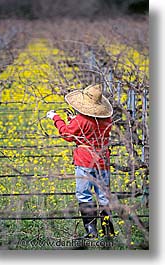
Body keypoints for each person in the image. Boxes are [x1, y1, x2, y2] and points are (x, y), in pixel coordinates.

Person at [46, 84, 114, 238]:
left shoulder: (82, 119)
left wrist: (56, 118)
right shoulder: (107, 119)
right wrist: (74, 120)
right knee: (103, 195)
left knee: (84, 195)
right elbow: (90, 130)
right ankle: (108, 230)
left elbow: (67, 134)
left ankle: (91, 231)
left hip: (85, 160)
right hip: (103, 160)